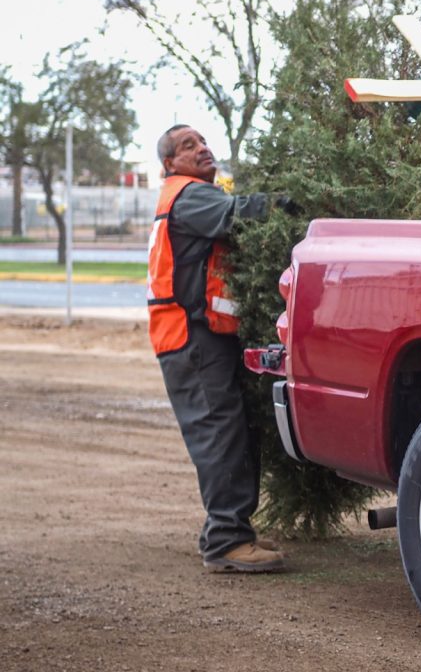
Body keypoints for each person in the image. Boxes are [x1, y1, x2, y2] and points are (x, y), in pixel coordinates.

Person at [148, 123, 284, 573]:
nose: (202, 148)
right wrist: (299, 202)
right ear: (171, 163)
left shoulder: (186, 195)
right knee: (220, 434)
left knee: (234, 429)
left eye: (203, 141)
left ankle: (229, 530)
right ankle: (226, 541)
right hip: (190, 338)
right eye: (189, 146)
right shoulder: (188, 195)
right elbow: (240, 214)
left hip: (199, 335)